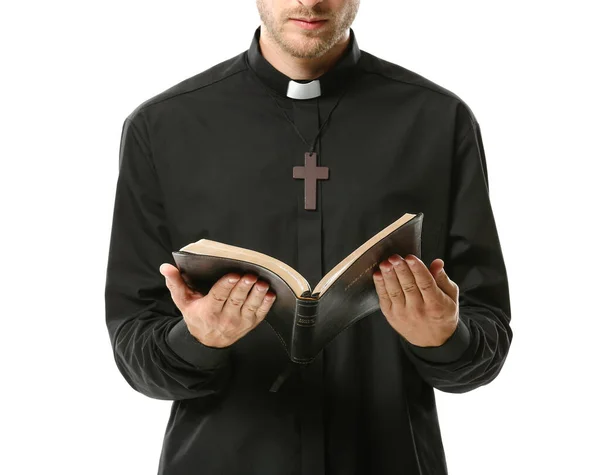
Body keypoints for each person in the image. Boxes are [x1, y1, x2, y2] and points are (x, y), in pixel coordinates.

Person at [104, 0, 513, 473]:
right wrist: (198, 339)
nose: (308, 1)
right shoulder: (161, 127)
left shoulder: (439, 121)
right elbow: (134, 350)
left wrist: (442, 336)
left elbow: (486, 341)